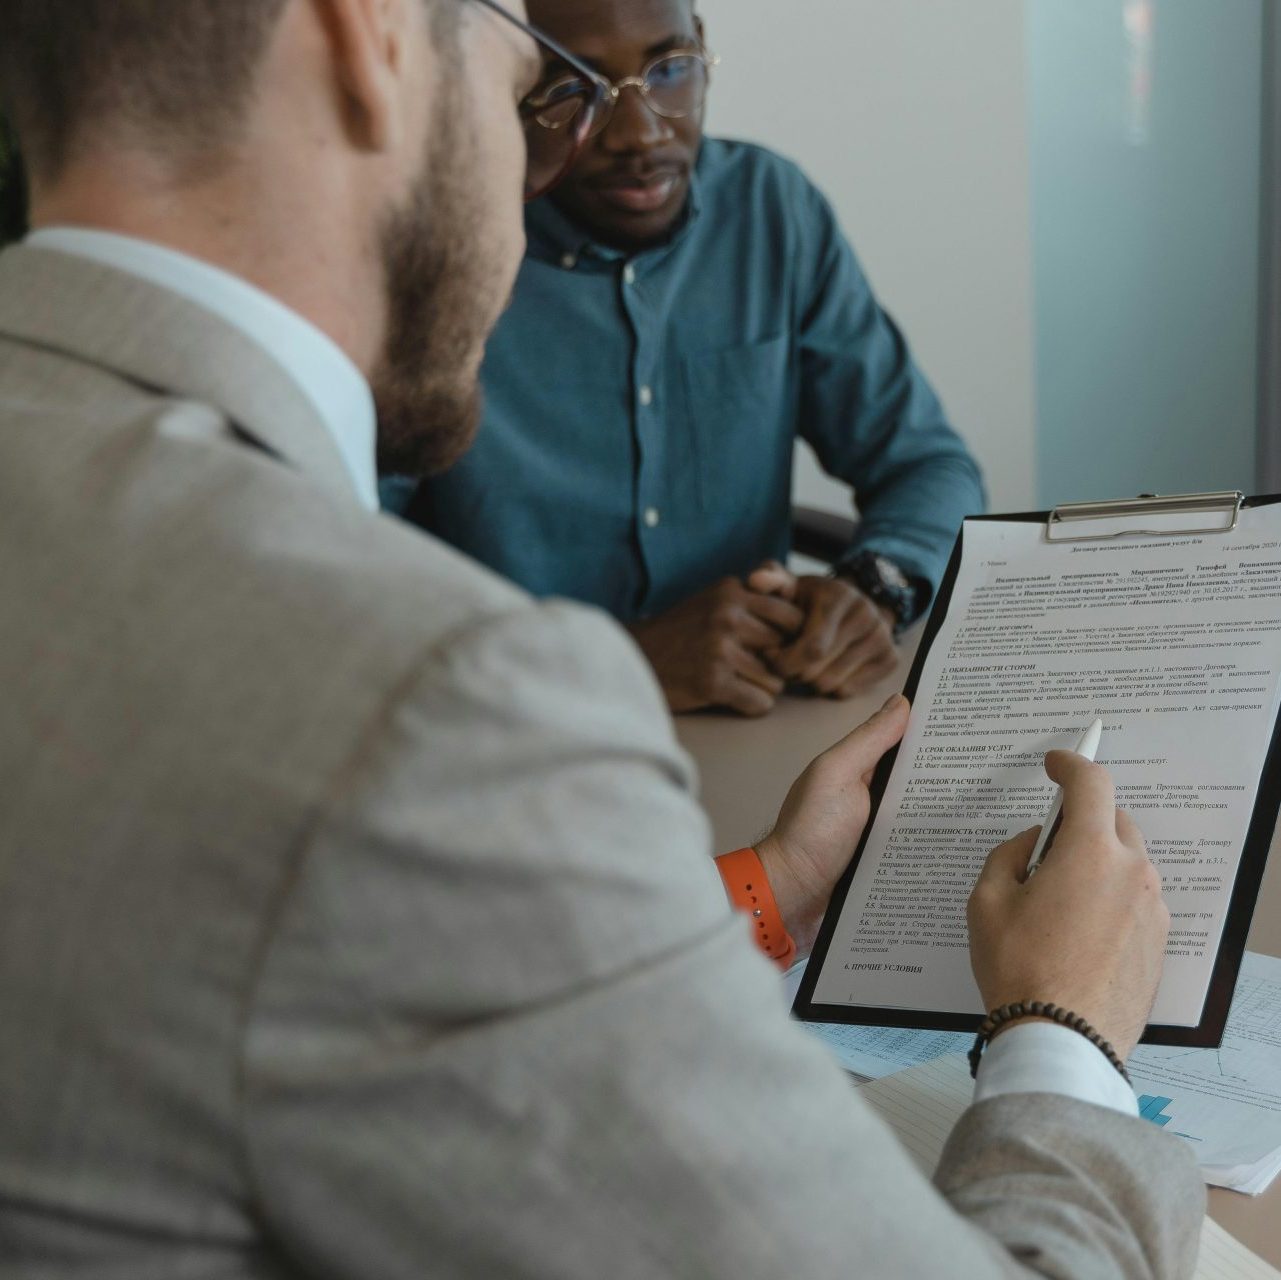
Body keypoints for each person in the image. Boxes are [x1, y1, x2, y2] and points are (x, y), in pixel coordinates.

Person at [0, 1, 1200, 1277]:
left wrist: (767, 882)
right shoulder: (434, 703)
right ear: (371, 39)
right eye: (539, 73)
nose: (599, 134)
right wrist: (1063, 1023)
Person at [383, 0, 987, 718]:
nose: (640, 133)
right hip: (516, 729)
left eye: (670, 70)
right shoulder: (432, 256)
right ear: (505, 83)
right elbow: (340, 572)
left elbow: (928, 465)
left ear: (703, 49)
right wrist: (621, 659)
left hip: (759, 718)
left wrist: (874, 585)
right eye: (575, 85)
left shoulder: (771, 210)